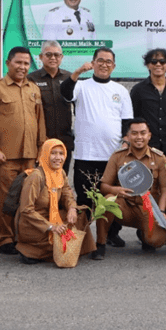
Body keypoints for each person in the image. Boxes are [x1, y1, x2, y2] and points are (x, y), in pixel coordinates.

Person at [60, 46, 133, 246]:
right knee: (85, 199)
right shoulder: (82, 86)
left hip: (113, 156)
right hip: (87, 155)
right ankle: (82, 237)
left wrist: (126, 142)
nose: (104, 64)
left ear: (114, 66)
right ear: (93, 63)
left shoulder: (120, 91)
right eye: (100, 60)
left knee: (112, 198)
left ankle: (111, 234)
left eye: (108, 61)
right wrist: (76, 73)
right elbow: (65, 93)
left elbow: (127, 121)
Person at [0, 46, 46, 254]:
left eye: (26, 63)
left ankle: (22, 236)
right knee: (4, 198)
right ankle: (4, 239)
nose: (22, 67)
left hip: (30, 156)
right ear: (9, 63)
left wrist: (42, 149)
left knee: (27, 199)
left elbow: (40, 121)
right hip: (5, 156)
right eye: (18, 62)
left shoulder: (33, 89)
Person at [91, 118, 166, 259]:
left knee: (156, 241)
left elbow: (165, 189)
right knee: (108, 200)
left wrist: (162, 211)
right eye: (134, 133)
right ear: (127, 137)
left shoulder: (159, 158)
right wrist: (117, 191)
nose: (139, 137)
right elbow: (103, 186)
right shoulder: (117, 157)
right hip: (125, 207)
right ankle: (100, 244)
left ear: (149, 135)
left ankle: (144, 234)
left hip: (148, 208)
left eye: (143, 133)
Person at [15, 139, 95, 264]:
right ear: (45, 154)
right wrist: (51, 227)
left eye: (61, 153)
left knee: (80, 214)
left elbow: (67, 194)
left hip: (52, 216)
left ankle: (56, 250)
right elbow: (26, 210)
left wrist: (72, 209)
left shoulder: (60, 172)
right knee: (61, 239)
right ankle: (30, 250)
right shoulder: (36, 177)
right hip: (34, 224)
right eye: (53, 153)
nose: (58, 158)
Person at [130, 48, 166, 173]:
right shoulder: (138, 90)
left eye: (162, 61)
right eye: (153, 61)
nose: (158, 64)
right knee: (146, 182)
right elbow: (134, 116)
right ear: (148, 65)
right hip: (146, 146)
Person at [28, 40, 75, 172]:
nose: (53, 58)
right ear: (40, 56)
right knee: (42, 179)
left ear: (62, 57)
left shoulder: (69, 78)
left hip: (64, 140)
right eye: (48, 55)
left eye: (56, 55)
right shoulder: (32, 79)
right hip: (41, 140)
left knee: (62, 177)